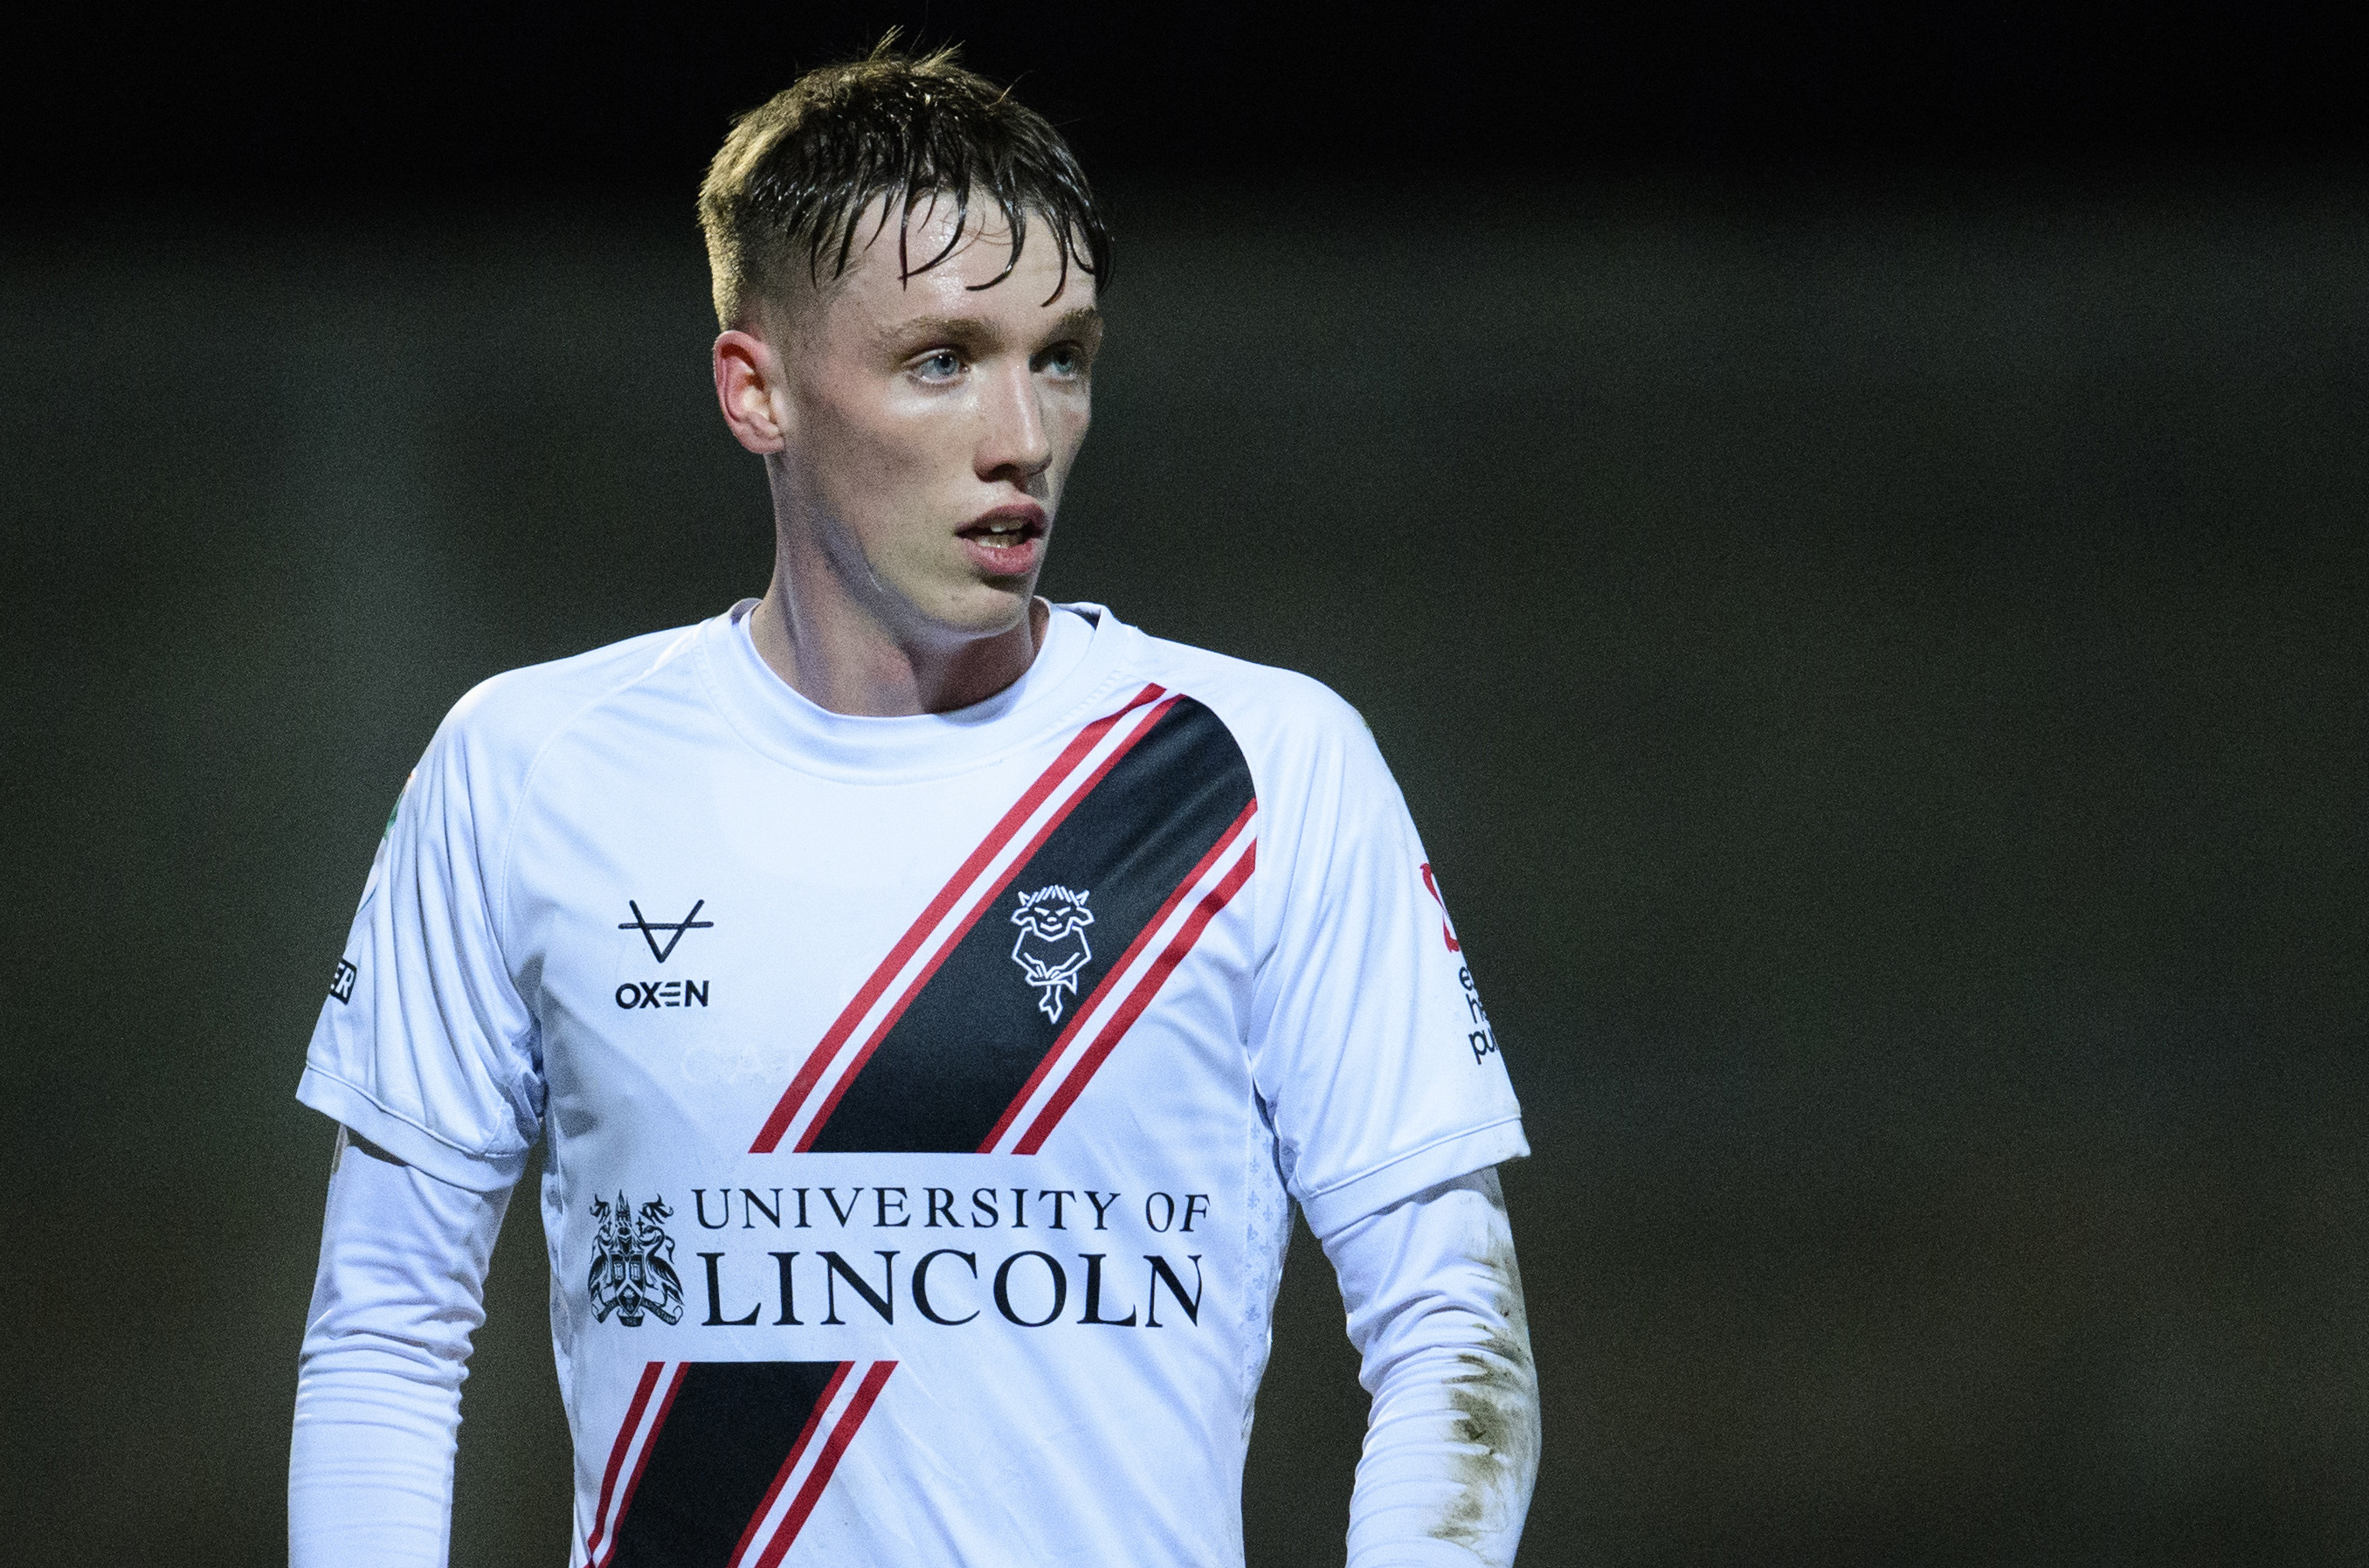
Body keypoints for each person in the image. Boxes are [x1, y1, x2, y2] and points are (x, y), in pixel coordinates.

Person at [285, 45, 1537, 1568]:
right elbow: (386, 1339)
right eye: (942, 359)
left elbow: (1453, 1333)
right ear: (757, 391)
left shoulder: (1260, 768)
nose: (1021, 434)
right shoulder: (528, 767)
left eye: (1060, 355)